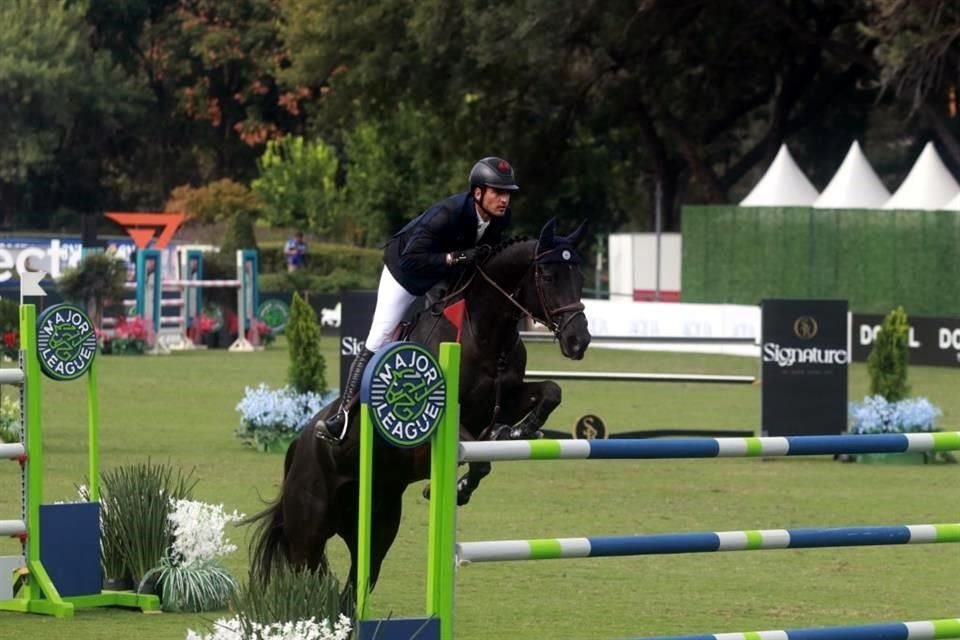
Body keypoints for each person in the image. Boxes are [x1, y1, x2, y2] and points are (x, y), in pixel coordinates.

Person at [316, 156, 519, 442]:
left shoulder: (500, 219)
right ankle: (341, 417)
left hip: (445, 275)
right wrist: (456, 257)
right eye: (497, 192)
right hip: (406, 272)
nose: (504, 199)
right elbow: (413, 259)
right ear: (477, 193)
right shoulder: (446, 213)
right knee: (381, 335)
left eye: (507, 193)